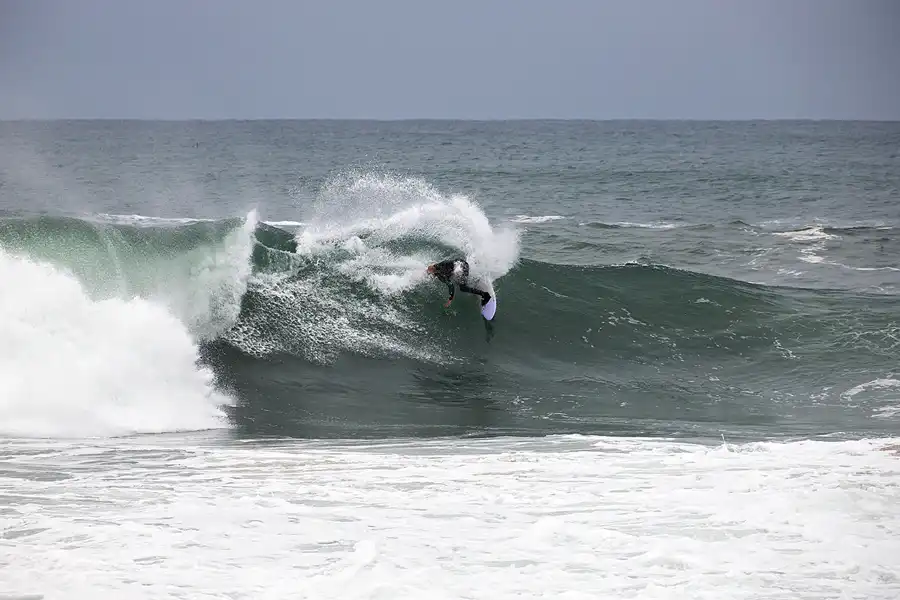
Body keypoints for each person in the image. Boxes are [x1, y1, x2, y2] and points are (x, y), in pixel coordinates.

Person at [427, 258, 491, 308]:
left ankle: (485, 295)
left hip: (462, 266)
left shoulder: (442, 265)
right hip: (460, 267)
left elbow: (451, 285)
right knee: (459, 282)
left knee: (463, 288)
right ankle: (475, 282)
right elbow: (450, 285)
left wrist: (450, 299)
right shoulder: (440, 276)